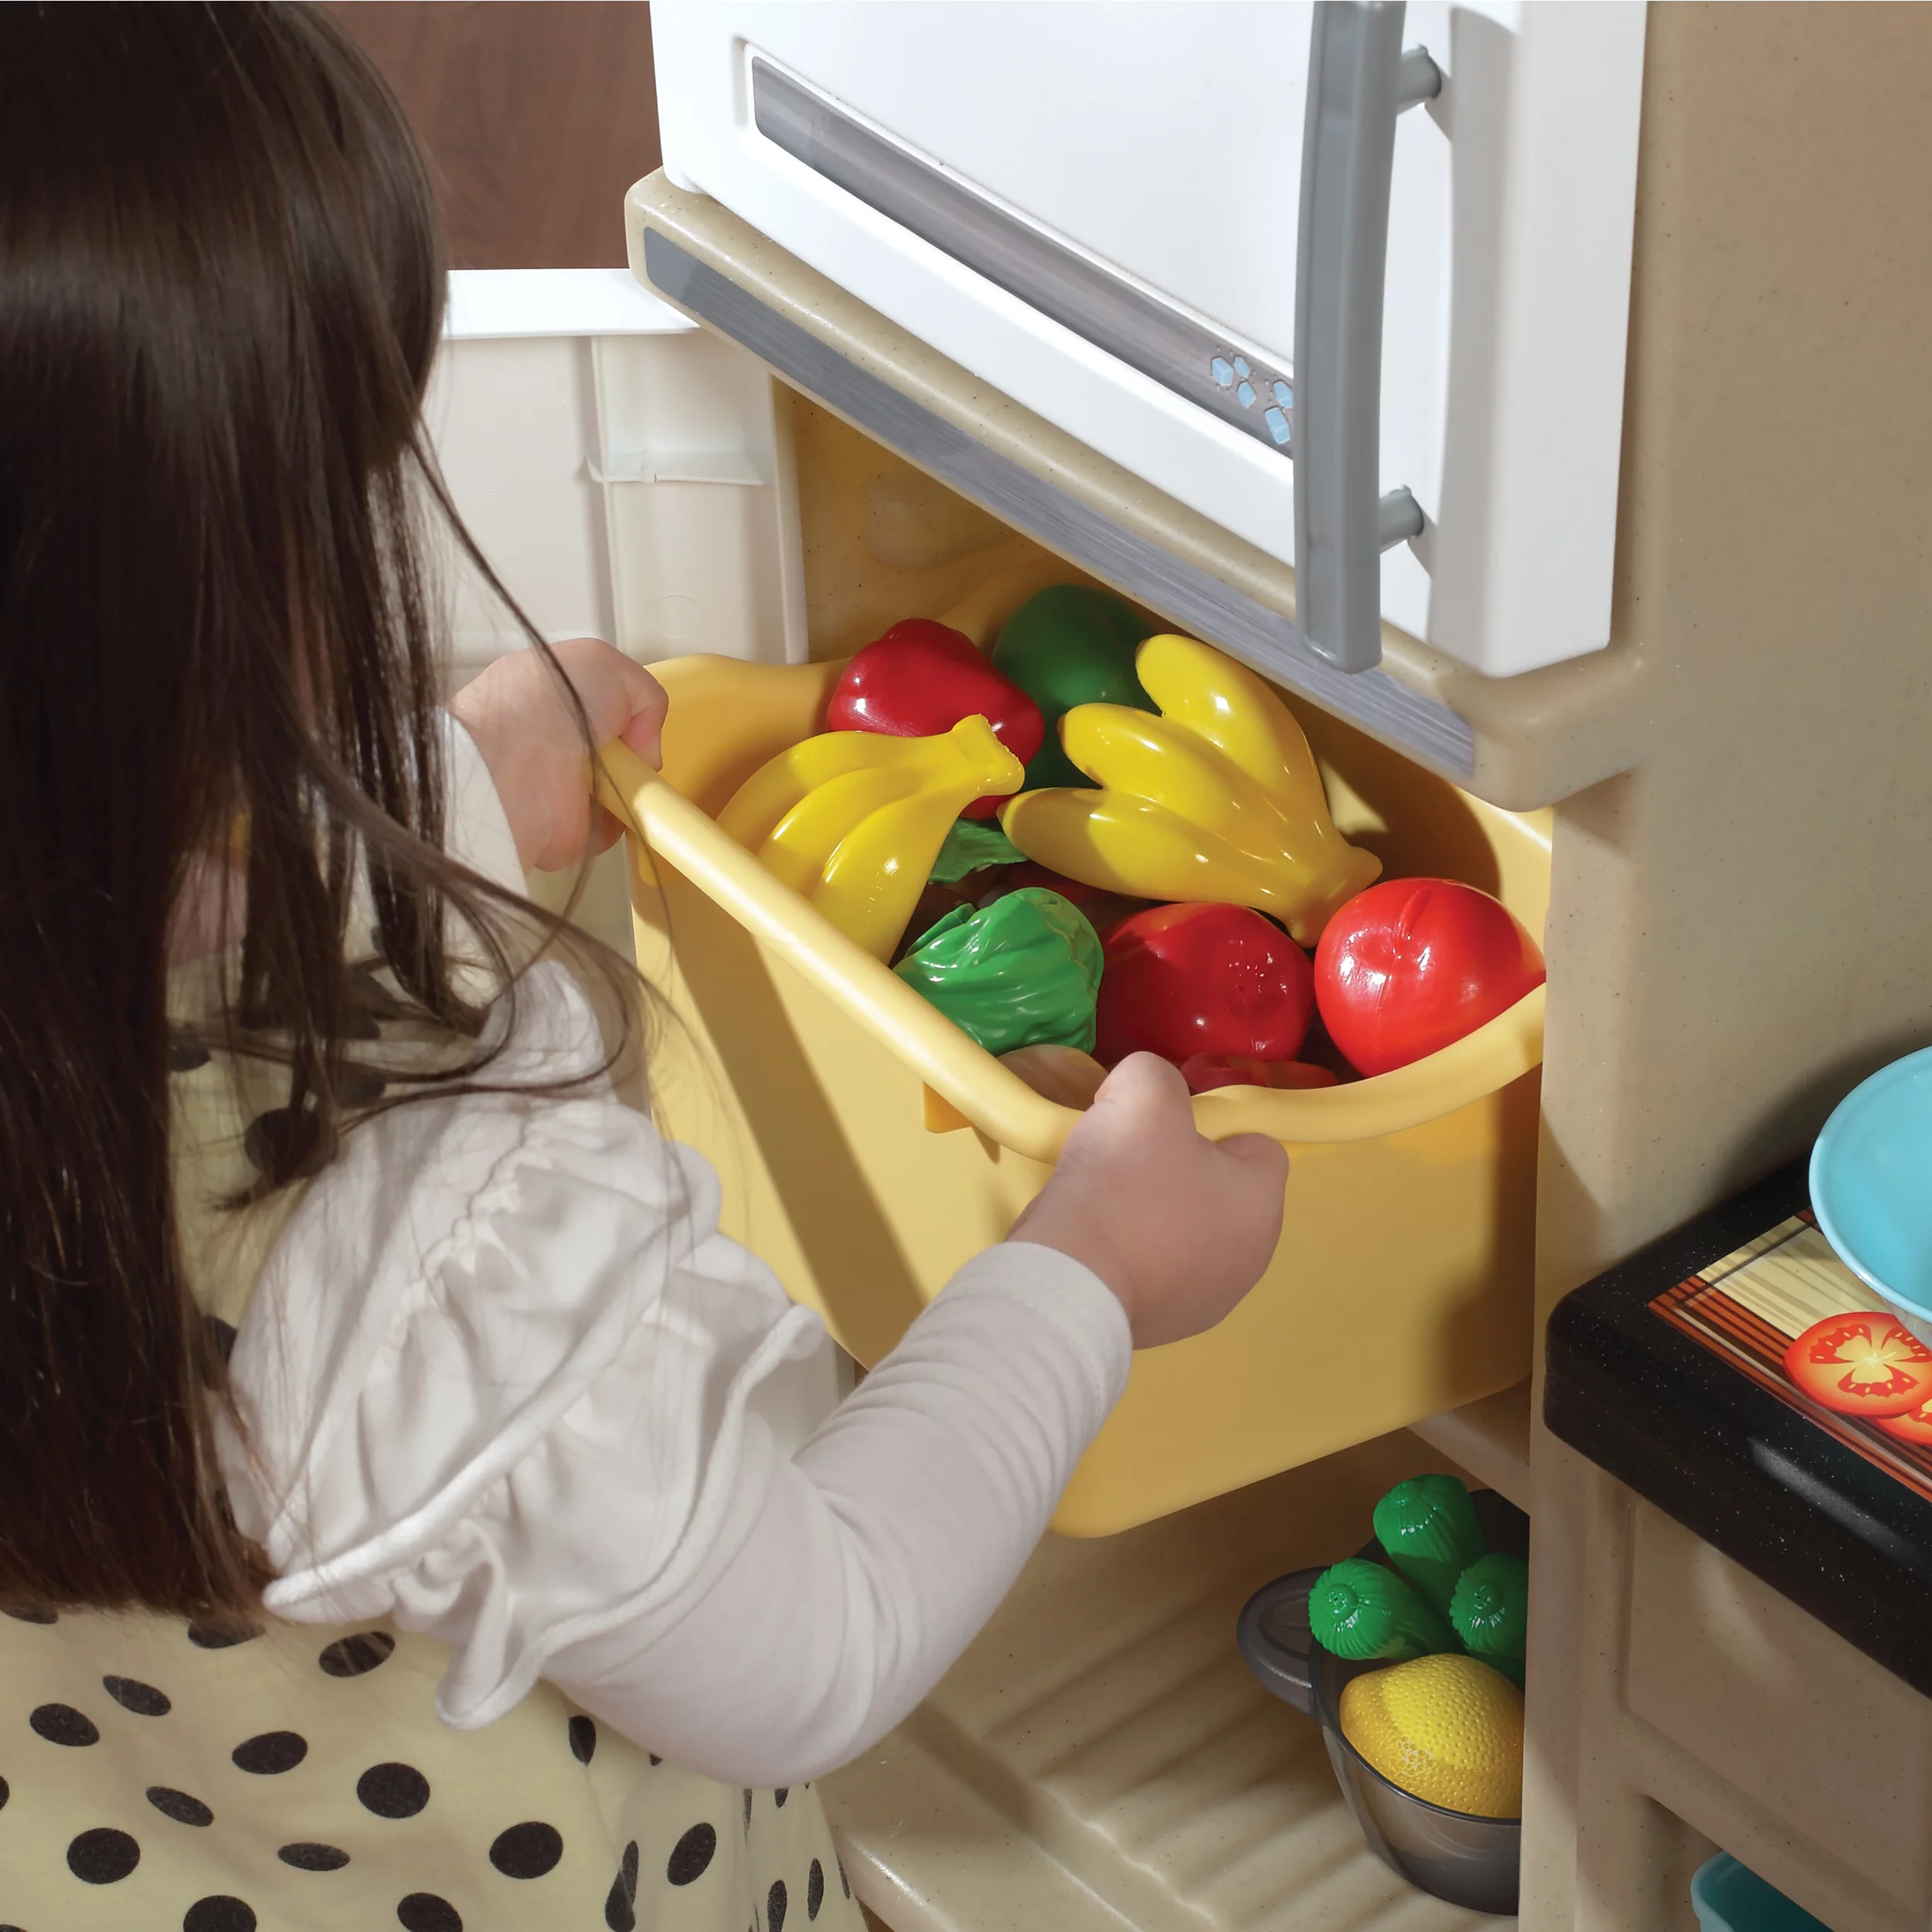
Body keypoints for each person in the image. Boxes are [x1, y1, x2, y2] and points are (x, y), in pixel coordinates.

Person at [0, 7, 1288, 1930]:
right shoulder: (394, 1249)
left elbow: (95, 893)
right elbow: (815, 1647)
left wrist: (437, 784)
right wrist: (1089, 1269)